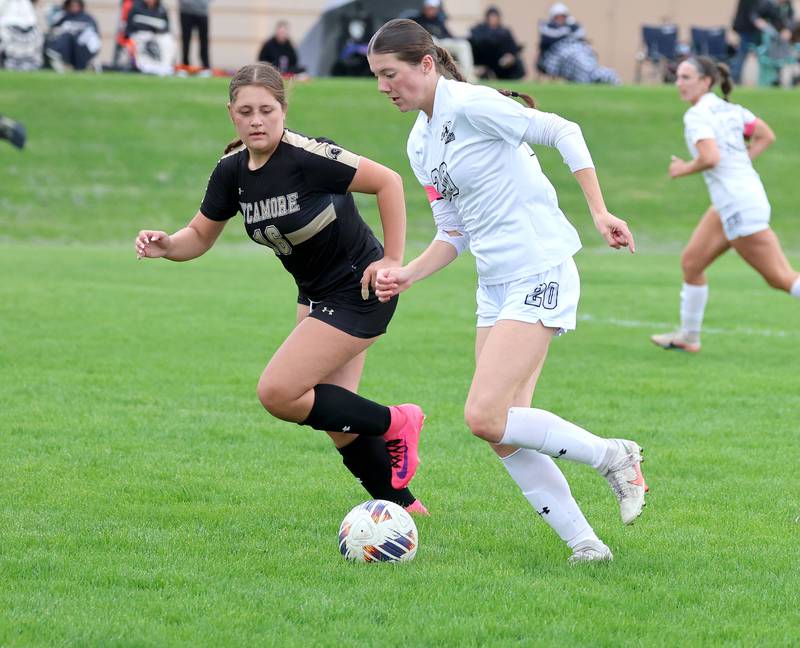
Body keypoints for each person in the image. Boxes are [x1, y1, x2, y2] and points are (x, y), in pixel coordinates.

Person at [367, 19, 647, 563]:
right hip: (493, 284)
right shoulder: (419, 141)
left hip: (540, 266)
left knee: (483, 415)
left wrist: (598, 210)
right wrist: (408, 273)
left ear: (425, 65)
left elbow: (563, 129)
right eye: (377, 77)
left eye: (390, 74)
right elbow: (454, 231)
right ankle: (586, 546)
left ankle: (614, 455)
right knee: (502, 429)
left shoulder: (472, 105)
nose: (383, 87)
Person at [134, 62, 428, 515]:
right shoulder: (231, 171)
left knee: (278, 393)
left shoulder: (308, 156)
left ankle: (397, 421)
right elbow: (199, 234)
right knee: (339, 418)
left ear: (283, 110)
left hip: (360, 288)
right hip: (314, 296)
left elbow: (388, 182)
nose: (257, 120)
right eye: (246, 110)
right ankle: (403, 507)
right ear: (231, 113)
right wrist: (168, 245)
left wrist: (392, 260)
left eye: (266, 110)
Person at [651, 56, 800, 353]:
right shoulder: (731, 109)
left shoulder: (696, 116)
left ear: (706, 81)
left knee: (781, 278)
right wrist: (739, 161)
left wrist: (683, 169)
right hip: (735, 200)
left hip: (739, 205)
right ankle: (688, 337)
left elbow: (710, 158)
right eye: (677, 77)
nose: (679, 83)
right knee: (692, 263)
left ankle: (689, 336)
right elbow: (765, 135)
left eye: (686, 77)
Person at [537, 3, 619, 84]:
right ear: (553, 17)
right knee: (576, 61)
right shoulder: (547, 26)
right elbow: (549, 39)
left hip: (578, 51)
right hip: (558, 57)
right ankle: (596, 77)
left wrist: (566, 30)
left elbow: (581, 35)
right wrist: (566, 31)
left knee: (585, 59)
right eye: (557, 16)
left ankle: (600, 75)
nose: (560, 19)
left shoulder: (573, 26)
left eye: (562, 16)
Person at [410, 0, 475, 82]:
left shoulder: (439, 20)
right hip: (430, 44)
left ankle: (467, 77)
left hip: (444, 42)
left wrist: (460, 38)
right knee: (433, 40)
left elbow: (449, 35)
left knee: (463, 45)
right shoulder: (418, 19)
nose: (432, 10)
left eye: (434, 8)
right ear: (425, 8)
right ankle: (434, 76)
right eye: (430, 8)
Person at [468, 5, 524, 80]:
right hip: (484, 60)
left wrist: (510, 56)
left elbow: (513, 48)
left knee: (517, 62)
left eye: (495, 16)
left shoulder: (505, 31)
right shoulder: (479, 30)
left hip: (501, 61)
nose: (493, 19)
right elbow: (474, 42)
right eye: (491, 16)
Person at [44, 0, 101, 72]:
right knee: (66, 37)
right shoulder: (64, 17)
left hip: (83, 47)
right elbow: (53, 29)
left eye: (76, 5)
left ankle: (84, 66)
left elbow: (94, 34)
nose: (74, 8)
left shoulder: (88, 18)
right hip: (67, 48)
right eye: (71, 6)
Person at [125, 0, 175, 75]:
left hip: (157, 36)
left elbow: (166, 27)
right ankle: (144, 65)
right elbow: (130, 27)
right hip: (140, 36)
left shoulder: (161, 9)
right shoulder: (136, 7)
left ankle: (164, 66)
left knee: (167, 40)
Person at [731, 0, 761, 83]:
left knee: (742, 55)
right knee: (741, 54)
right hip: (747, 29)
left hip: (748, 29)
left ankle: (735, 79)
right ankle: (735, 79)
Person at [179, 0, 210, 70]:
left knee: (204, 40)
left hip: (202, 11)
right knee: (186, 40)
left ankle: (206, 67)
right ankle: (185, 66)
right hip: (186, 11)